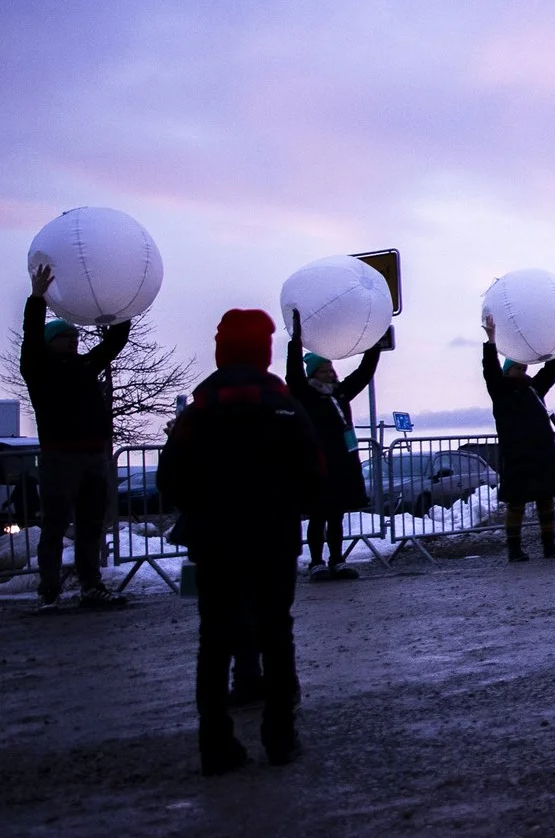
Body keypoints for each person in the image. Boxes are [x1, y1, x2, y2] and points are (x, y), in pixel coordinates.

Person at [156, 309, 322, 774]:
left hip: (214, 540)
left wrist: (205, 508)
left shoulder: (201, 407)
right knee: (275, 630)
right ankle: (280, 735)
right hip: (273, 536)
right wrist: (285, 504)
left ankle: (215, 742)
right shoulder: (284, 404)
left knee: (215, 637)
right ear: (264, 351)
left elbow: (169, 478)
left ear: (221, 349)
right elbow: (313, 472)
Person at [19, 264, 133, 611]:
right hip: (59, 457)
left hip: (94, 456)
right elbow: (31, 337)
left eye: (75, 337)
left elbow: (113, 342)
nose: (73, 341)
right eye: (65, 337)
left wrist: (123, 306)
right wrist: (37, 298)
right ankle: (49, 591)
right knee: (54, 525)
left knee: (90, 523)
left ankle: (91, 587)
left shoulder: (85, 366)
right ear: (50, 343)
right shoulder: (39, 369)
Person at [285, 315, 383, 581]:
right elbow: (292, 373)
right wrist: (296, 340)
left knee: (336, 516)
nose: (331, 372)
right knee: (318, 516)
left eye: (331, 369)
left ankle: (337, 560)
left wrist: (374, 343)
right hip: (317, 464)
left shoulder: (339, 392)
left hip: (341, 464)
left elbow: (364, 373)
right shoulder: (305, 394)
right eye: (325, 370)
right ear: (314, 373)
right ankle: (316, 562)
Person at [481, 314, 555, 562]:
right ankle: (514, 549)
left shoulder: (534, 388)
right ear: (507, 371)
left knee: (546, 500)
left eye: (524, 367)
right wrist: (491, 340)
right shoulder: (499, 390)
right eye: (517, 367)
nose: (523, 370)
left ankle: (549, 545)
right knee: (515, 504)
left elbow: (551, 369)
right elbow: (489, 369)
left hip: (542, 452)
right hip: (517, 454)